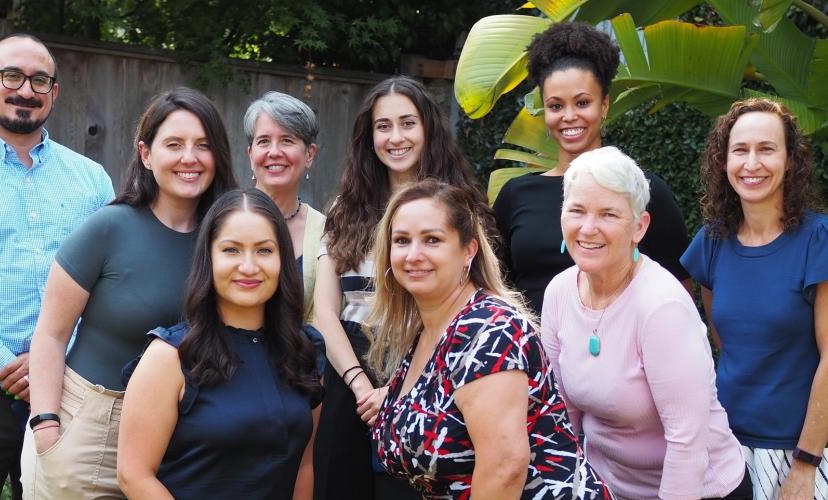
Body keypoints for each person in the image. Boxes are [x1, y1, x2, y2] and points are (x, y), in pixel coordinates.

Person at [20, 87, 237, 498]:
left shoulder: (227, 242)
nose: (189, 157)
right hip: (93, 429)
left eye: (203, 145)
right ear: (146, 154)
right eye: (173, 144)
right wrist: (47, 425)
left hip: (185, 435)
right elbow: (50, 334)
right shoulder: (108, 229)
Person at [0, 33, 114, 500]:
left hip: (73, 385)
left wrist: (52, 359)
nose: (25, 90)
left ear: (54, 91)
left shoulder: (91, 180)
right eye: (12, 75)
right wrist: (4, 364)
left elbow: (111, 282)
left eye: (39, 80)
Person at [366, 179, 610, 498]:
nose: (413, 255)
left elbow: (504, 469)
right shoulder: (427, 332)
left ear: (468, 250)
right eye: (401, 240)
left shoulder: (489, 330)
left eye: (432, 240)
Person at [312, 75, 494, 499]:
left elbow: (473, 301)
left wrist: (396, 391)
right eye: (383, 126)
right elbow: (324, 312)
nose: (396, 137)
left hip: (431, 372)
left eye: (407, 123)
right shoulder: (345, 208)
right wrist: (361, 386)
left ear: (428, 128)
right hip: (349, 375)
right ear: (368, 135)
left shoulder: (462, 206)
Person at [542, 146, 750, 499]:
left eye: (609, 214)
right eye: (577, 210)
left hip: (700, 490)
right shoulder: (560, 292)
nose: (588, 228)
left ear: (639, 226)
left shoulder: (661, 307)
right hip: (610, 487)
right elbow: (563, 413)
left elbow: (687, 445)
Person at [117, 188, 323, 499]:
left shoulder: (305, 351)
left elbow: (303, 465)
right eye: (231, 250)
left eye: (264, 250)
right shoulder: (170, 356)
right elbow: (133, 475)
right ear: (208, 257)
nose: (249, 266)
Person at [681, 98, 827, 499]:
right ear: (723, 161)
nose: (752, 163)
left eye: (767, 149)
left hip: (801, 451)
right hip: (725, 445)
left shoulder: (819, 240)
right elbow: (723, 338)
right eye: (740, 150)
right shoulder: (711, 241)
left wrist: (805, 463)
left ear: (790, 160)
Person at [494, 21, 689, 312]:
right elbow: (495, 289)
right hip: (530, 354)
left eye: (582, 102)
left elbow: (676, 296)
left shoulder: (645, 193)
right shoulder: (516, 195)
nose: (569, 116)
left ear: (605, 105)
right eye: (556, 106)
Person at [245, 91, 326, 320]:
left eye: (287, 140)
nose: (274, 152)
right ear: (251, 154)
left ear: (309, 154)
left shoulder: (326, 232)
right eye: (263, 141)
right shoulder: (221, 219)